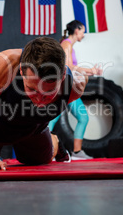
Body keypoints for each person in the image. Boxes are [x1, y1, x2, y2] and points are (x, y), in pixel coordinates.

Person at [0, 36, 88, 171]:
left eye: (48, 93)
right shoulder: (5, 64)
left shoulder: (75, 87)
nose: (39, 100)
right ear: (21, 70)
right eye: (31, 89)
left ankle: (53, 139)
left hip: (32, 127)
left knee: (41, 160)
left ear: (62, 77)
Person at [48, 20, 102, 160]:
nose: (83, 34)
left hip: (68, 86)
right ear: (77, 30)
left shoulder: (69, 46)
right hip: (64, 88)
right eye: (83, 31)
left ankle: (76, 152)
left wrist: (90, 72)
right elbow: (67, 66)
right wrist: (90, 70)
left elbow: (72, 69)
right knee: (52, 119)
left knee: (82, 117)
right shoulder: (66, 44)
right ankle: (47, 149)